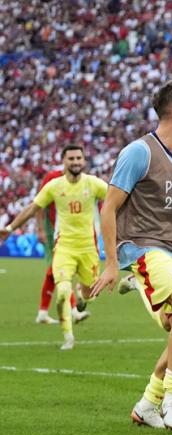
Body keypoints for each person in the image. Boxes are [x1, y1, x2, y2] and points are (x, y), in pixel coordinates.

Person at [90, 80, 172, 433]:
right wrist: (113, 262)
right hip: (146, 249)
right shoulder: (139, 152)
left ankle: (148, 402)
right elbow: (109, 207)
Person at [0, 145, 106, 349]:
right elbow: (33, 208)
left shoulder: (93, 184)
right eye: (71, 158)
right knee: (63, 291)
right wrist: (11, 227)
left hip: (88, 249)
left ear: (83, 161)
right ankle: (68, 338)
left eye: (78, 158)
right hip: (64, 247)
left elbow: (116, 198)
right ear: (64, 161)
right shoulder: (54, 186)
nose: (75, 162)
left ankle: (82, 297)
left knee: (90, 293)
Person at [34, 167, 89, 324]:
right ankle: (73, 310)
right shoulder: (52, 178)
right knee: (59, 269)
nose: (75, 163)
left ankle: (43, 313)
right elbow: (38, 204)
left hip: (68, 233)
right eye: (72, 159)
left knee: (54, 271)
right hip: (52, 230)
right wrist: (40, 229)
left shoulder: (84, 181)